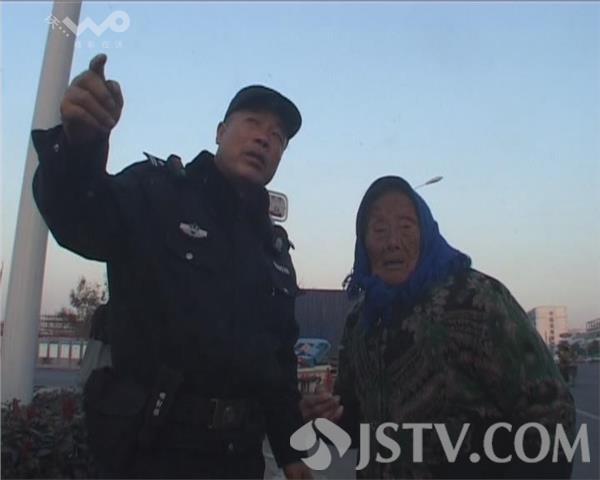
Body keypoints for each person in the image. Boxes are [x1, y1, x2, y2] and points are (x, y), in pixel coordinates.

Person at [31, 53, 312, 479]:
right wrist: (80, 147)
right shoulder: (157, 193)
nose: (264, 139)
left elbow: (277, 363)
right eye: (252, 123)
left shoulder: (272, 248)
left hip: (239, 459)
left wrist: (292, 455)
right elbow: (80, 219)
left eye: (278, 137)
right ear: (220, 132)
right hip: (152, 453)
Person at [315, 176, 576, 478]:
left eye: (406, 226)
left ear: (426, 232)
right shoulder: (361, 321)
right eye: (379, 229)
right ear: (363, 242)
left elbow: (552, 414)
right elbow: (358, 423)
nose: (393, 242)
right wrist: (322, 417)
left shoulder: (476, 299)